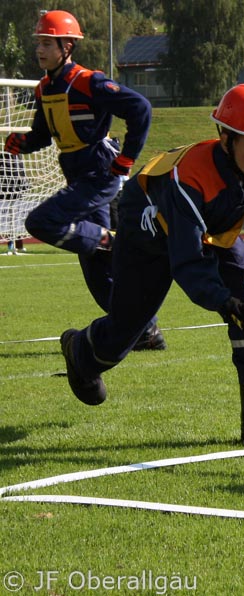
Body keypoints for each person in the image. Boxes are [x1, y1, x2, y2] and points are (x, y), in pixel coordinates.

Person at [59, 83, 244, 447]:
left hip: (214, 237)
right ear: (227, 138)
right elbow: (188, 262)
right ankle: (80, 351)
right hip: (149, 238)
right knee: (125, 332)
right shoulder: (188, 179)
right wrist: (225, 304)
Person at [3, 10, 164, 349]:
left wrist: (126, 160)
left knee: (40, 221)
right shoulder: (45, 88)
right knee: (98, 275)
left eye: (48, 43)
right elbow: (43, 135)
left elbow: (141, 109)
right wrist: (23, 143)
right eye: (39, 44)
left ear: (68, 46)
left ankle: (110, 239)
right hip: (76, 172)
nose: (40, 50)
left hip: (99, 171)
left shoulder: (88, 81)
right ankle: (146, 331)